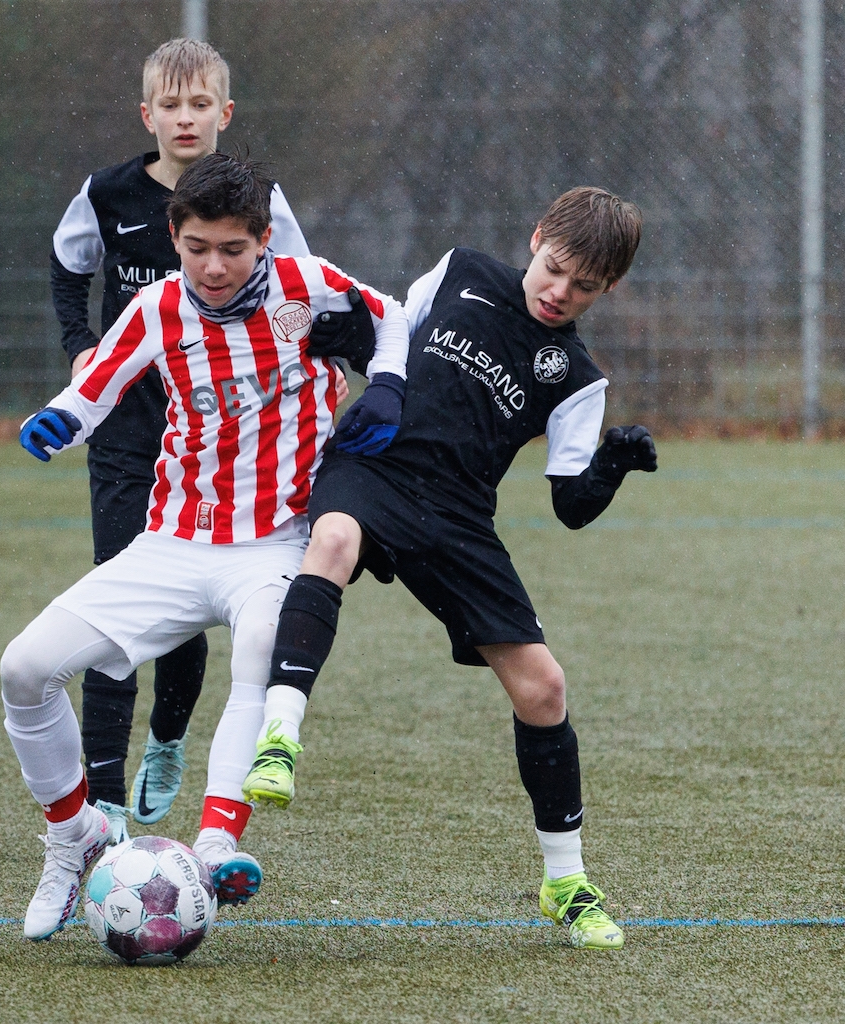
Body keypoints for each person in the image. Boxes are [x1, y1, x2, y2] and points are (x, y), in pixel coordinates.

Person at [2, 152, 409, 940]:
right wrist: (59, 419)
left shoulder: (305, 285)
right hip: (174, 542)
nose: (214, 267)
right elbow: (95, 387)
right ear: (173, 237)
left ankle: (217, 843)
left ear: (263, 240)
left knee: (261, 647)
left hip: (277, 544)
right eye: (196, 249)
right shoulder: (156, 306)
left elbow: (390, 314)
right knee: (23, 668)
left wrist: (387, 383)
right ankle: (73, 835)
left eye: (232, 249)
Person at [241, 187, 658, 950]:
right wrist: (357, 347)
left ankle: (566, 881)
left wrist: (613, 465)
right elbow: (394, 335)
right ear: (536, 238)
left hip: (458, 516)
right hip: (377, 464)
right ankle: (280, 737)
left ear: (610, 288)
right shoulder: (461, 271)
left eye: (584, 286)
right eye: (554, 268)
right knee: (331, 542)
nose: (559, 291)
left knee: (544, 688)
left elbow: (570, 504)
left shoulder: (576, 376)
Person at [50, 38, 349, 844]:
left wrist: (309, 363)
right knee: (117, 597)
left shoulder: (260, 202)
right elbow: (67, 266)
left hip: (227, 432)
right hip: (130, 427)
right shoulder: (108, 193)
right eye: (170, 105)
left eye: (200, 104)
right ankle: (105, 799)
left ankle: (168, 737)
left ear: (225, 113)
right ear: (147, 115)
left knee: (186, 615)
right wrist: (81, 345)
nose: (185, 118)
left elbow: (303, 294)